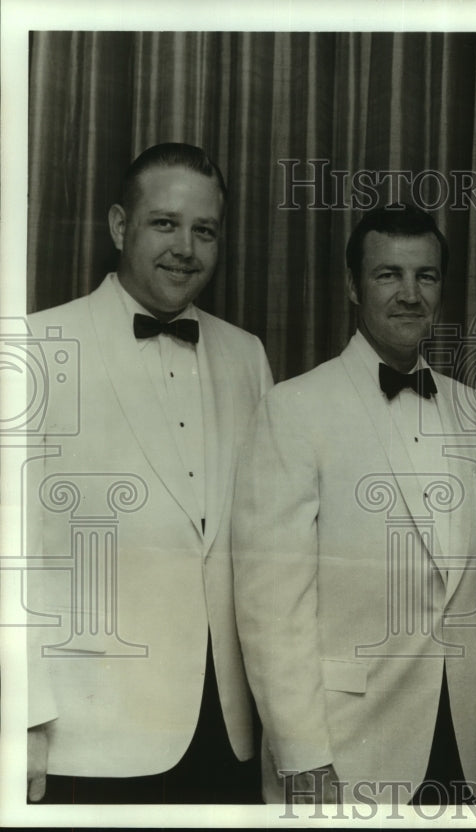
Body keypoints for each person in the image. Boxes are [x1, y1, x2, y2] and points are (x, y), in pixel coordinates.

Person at [232, 203, 476, 806]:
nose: (410, 294)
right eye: (389, 275)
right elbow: (271, 608)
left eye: (426, 276)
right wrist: (304, 756)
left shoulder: (473, 410)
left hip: (462, 746)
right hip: (344, 748)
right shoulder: (294, 409)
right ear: (354, 286)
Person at [25, 142, 273, 803]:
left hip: (228, 732)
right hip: (87, 738)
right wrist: (20, 721)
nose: (186, 248)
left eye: (205, 230)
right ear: (117, 227)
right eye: (165, 223)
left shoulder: (247, 356)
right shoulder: (34, 349)